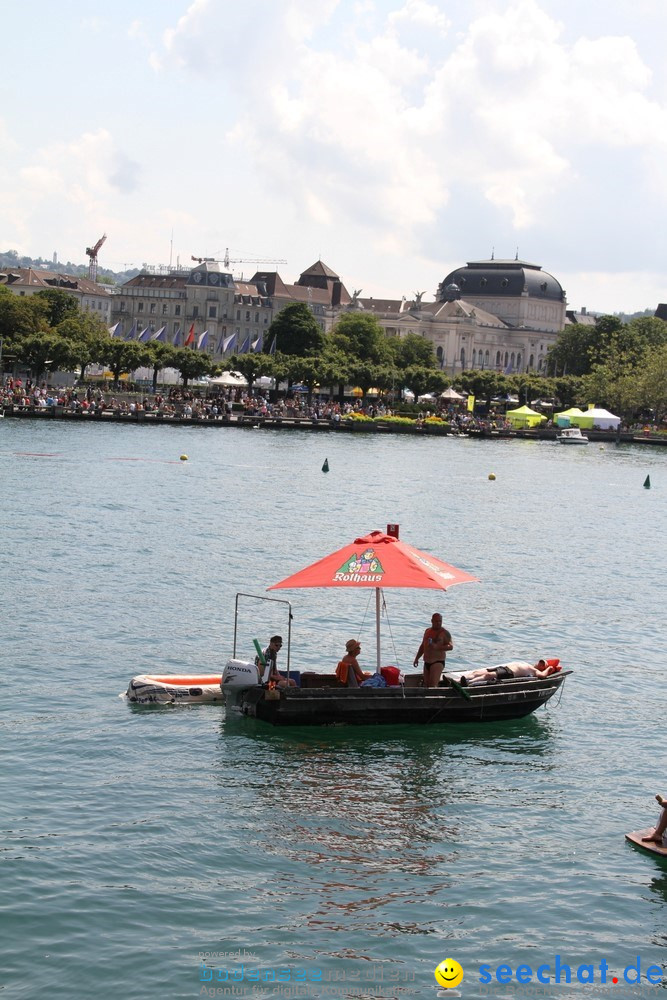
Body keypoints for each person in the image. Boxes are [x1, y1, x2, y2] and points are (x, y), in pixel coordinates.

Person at [414, 613, 453, 688]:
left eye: (440, 621)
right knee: (426, 684)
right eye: (436, 621)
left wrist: (437, 647)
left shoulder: (444, 633)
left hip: (437, 662)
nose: (438, 623)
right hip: (426, 662)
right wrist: (417, 658)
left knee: (432, 685)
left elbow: (450, 647)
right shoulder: (427, 631)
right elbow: (423, 646)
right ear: (432, 621)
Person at [457, 659, 557, 686]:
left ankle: (469, 683)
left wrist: (549, 669)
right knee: (477, 672)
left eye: (542, 664)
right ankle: (456, 680)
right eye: (540, 662)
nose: (540, 664)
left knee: (488, 675)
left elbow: (543, 676)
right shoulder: (528, 664)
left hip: (510, 673)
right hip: (503, 668)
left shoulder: (535, 671)